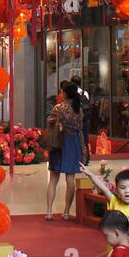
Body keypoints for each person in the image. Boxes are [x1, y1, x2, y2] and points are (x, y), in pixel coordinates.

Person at [45, 85, 85, 221]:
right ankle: (66, 211)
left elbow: (50, 122)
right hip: (73, 142)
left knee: (53, 179)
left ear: (65, 94)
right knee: (70, 179)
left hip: (59, 142)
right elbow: (80, 127)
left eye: (62, 91)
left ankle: (49, 211)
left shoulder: (58, 108)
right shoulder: (78, 109)